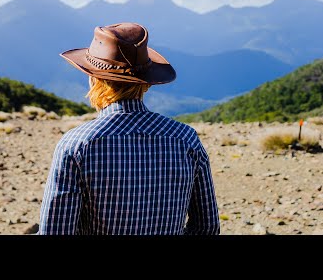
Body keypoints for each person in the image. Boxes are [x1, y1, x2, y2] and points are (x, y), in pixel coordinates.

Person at [38, 22, 219, 235]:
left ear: (95, 79)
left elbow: (55, 231)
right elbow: (207, 227)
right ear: (146, 82)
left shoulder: (75, 145)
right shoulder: (186, 139)